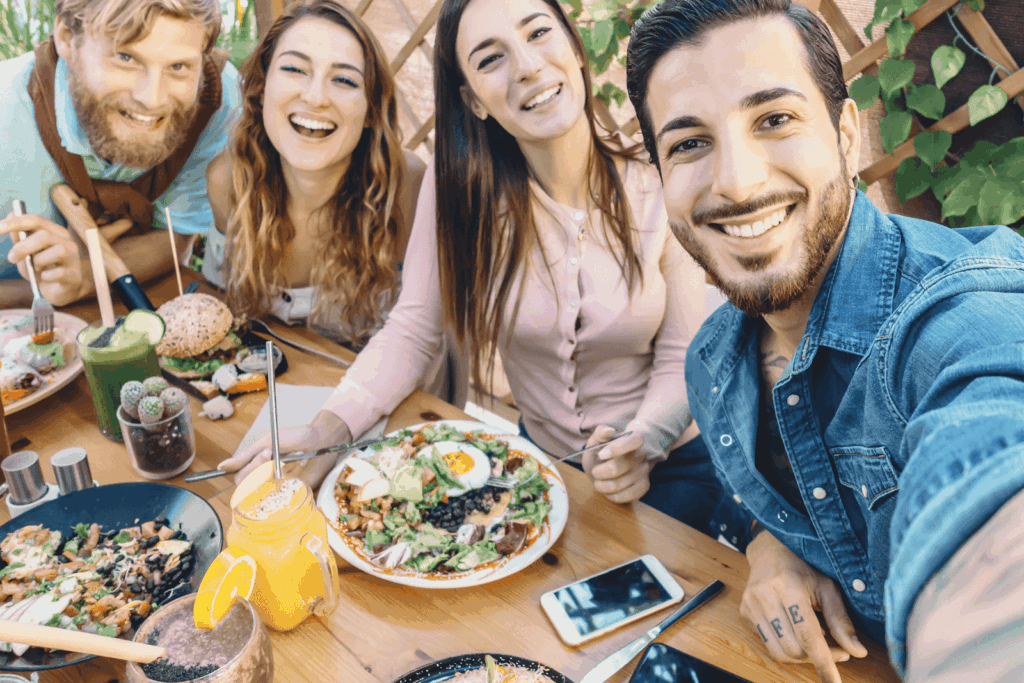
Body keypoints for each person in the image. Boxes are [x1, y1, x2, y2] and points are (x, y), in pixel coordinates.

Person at [222, 0, 740, 541]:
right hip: (542, 470)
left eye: (538, 34)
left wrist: (644, 441)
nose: (527, 66)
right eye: (491, 59)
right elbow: (413, 329)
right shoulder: (457, 195)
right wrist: (329, 430)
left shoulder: (659, 185)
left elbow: (686, 351)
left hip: (674, 464)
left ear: (575, 50)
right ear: (475, 101)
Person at [625, 0, 1024, 681]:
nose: (738, 182)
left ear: (845, 134)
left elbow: (991, 433)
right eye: (689, 142)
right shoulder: (714, 363)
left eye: (774, 120)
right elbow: (757, 495)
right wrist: (766, 546)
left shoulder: (952, 310)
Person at [203, 0, 427, 355]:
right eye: (294, 69)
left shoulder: (406, 190)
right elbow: (221, 306)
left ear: (370, 109)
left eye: (343, 79)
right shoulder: (228, 180)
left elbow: (428, 339)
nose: (316, 97)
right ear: (262, 89)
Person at [0, 0, 240, 307]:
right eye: (125, 57)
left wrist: (84, 278)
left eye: (177, 67)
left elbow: (176, 235)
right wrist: (39, 295)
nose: (151, 99)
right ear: (67, 39)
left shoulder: (217, 100)